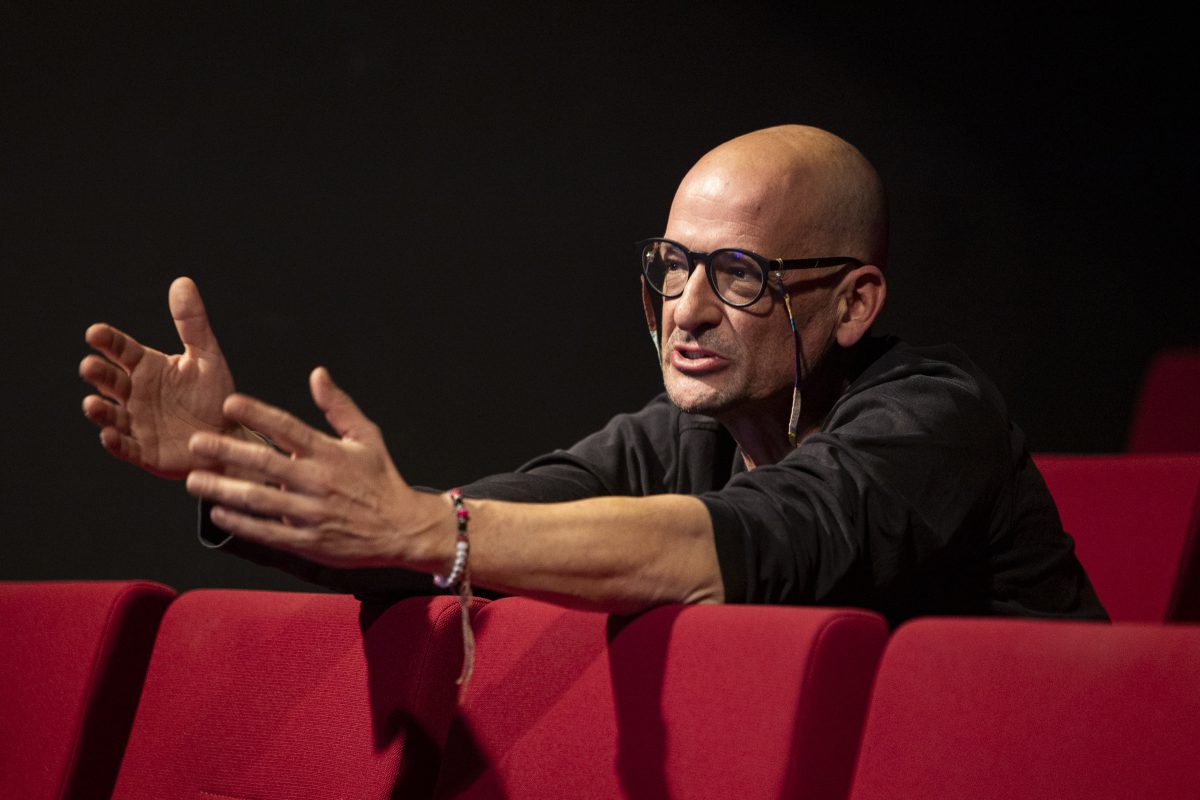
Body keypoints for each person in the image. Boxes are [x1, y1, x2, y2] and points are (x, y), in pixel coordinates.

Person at [79, 124, 1107, 625]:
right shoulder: (681, 435)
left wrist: (432, 529)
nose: (685, 310)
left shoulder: (936, 418)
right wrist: (230, 463)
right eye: (671, 267)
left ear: (854, 304)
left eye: (738, 275)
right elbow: (444, 530)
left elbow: (742, 546)